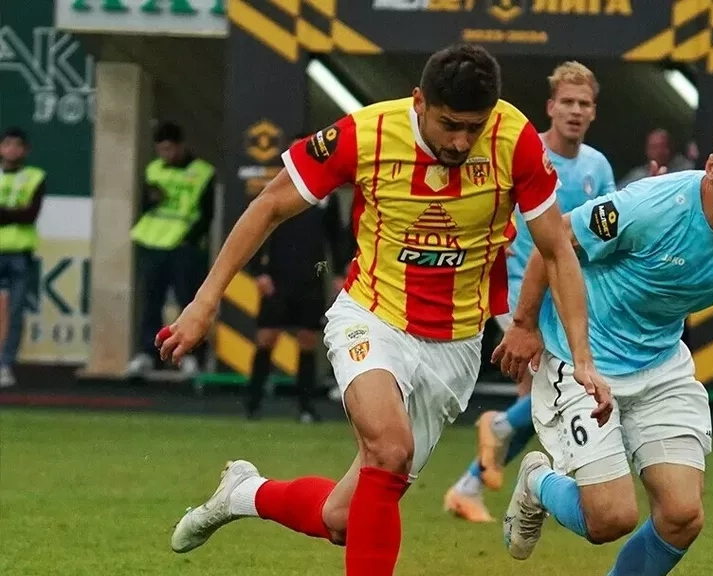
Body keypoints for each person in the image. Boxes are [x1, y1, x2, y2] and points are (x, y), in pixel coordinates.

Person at [162, 44, 611, 575]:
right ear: (420, 102)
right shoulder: (366, 133)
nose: (461, 141)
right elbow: (270, 204)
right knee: (391, 448)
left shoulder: (513, 139)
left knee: (342, 520)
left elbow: (556, 249)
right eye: (450, 125)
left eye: (474, 127)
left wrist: (571, 351)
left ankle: (244, 493)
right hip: (372, 317)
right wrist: (205, 301)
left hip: (455, 345)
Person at [496, 104, 713, 575]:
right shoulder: (652, 205)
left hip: (660, 364)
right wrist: (524, 324)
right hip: (582, 359)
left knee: (682, 516)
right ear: (712, 167)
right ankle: (538, 480)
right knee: (610, 518)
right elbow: (555, 239)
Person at [443, 61, 627, 523]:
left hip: (565, 293)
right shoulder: (526, 152)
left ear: (594, 111)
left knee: (541, 398)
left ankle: (468, 485)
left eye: (584, 103)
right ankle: (497, 431)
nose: (575, 110)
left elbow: (606, 229)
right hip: (519, 292)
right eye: (567, 102)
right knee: (552, 392)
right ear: (550, 107)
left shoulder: (597, 166)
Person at [244, 135, 353, 422]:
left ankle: (305, 407)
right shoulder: (274, 189)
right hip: (277, 277)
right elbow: (255, 230)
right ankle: (253, 404)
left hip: (311, 277)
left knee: (307, 340)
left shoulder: (325, 194)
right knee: (267, 338)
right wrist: (258, 272)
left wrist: (339, 273)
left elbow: (336, 237)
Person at [126, 122, 217, 378]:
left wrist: (190, 239)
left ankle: (192, 356)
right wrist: (151, 199)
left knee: (188, 303)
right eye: (161, 150)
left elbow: (207, 213)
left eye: (169, 149)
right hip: (153, 243)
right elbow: (144, 205)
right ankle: (148, 353)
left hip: (184, 248)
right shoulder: (153, 169)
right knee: (150, 302)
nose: (165, 155)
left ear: (180, 146)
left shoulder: (202, 172)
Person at [0, 128, 47, 388]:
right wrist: (15, 212)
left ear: (26, 150)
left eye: (17, 145)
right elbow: (21, 212)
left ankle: (5, 364)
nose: (12, 150)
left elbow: (30, 214)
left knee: (15, 312)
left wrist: (6, 214)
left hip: (20, 253)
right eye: (7, 144)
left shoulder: (34, 177)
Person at [617, 129, 695, 188]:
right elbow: (616, 197)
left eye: (662, 146)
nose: (658, 152)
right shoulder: (637, 175)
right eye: (653, 147)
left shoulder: (686, 170)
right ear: (647, 150)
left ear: (670, 148)